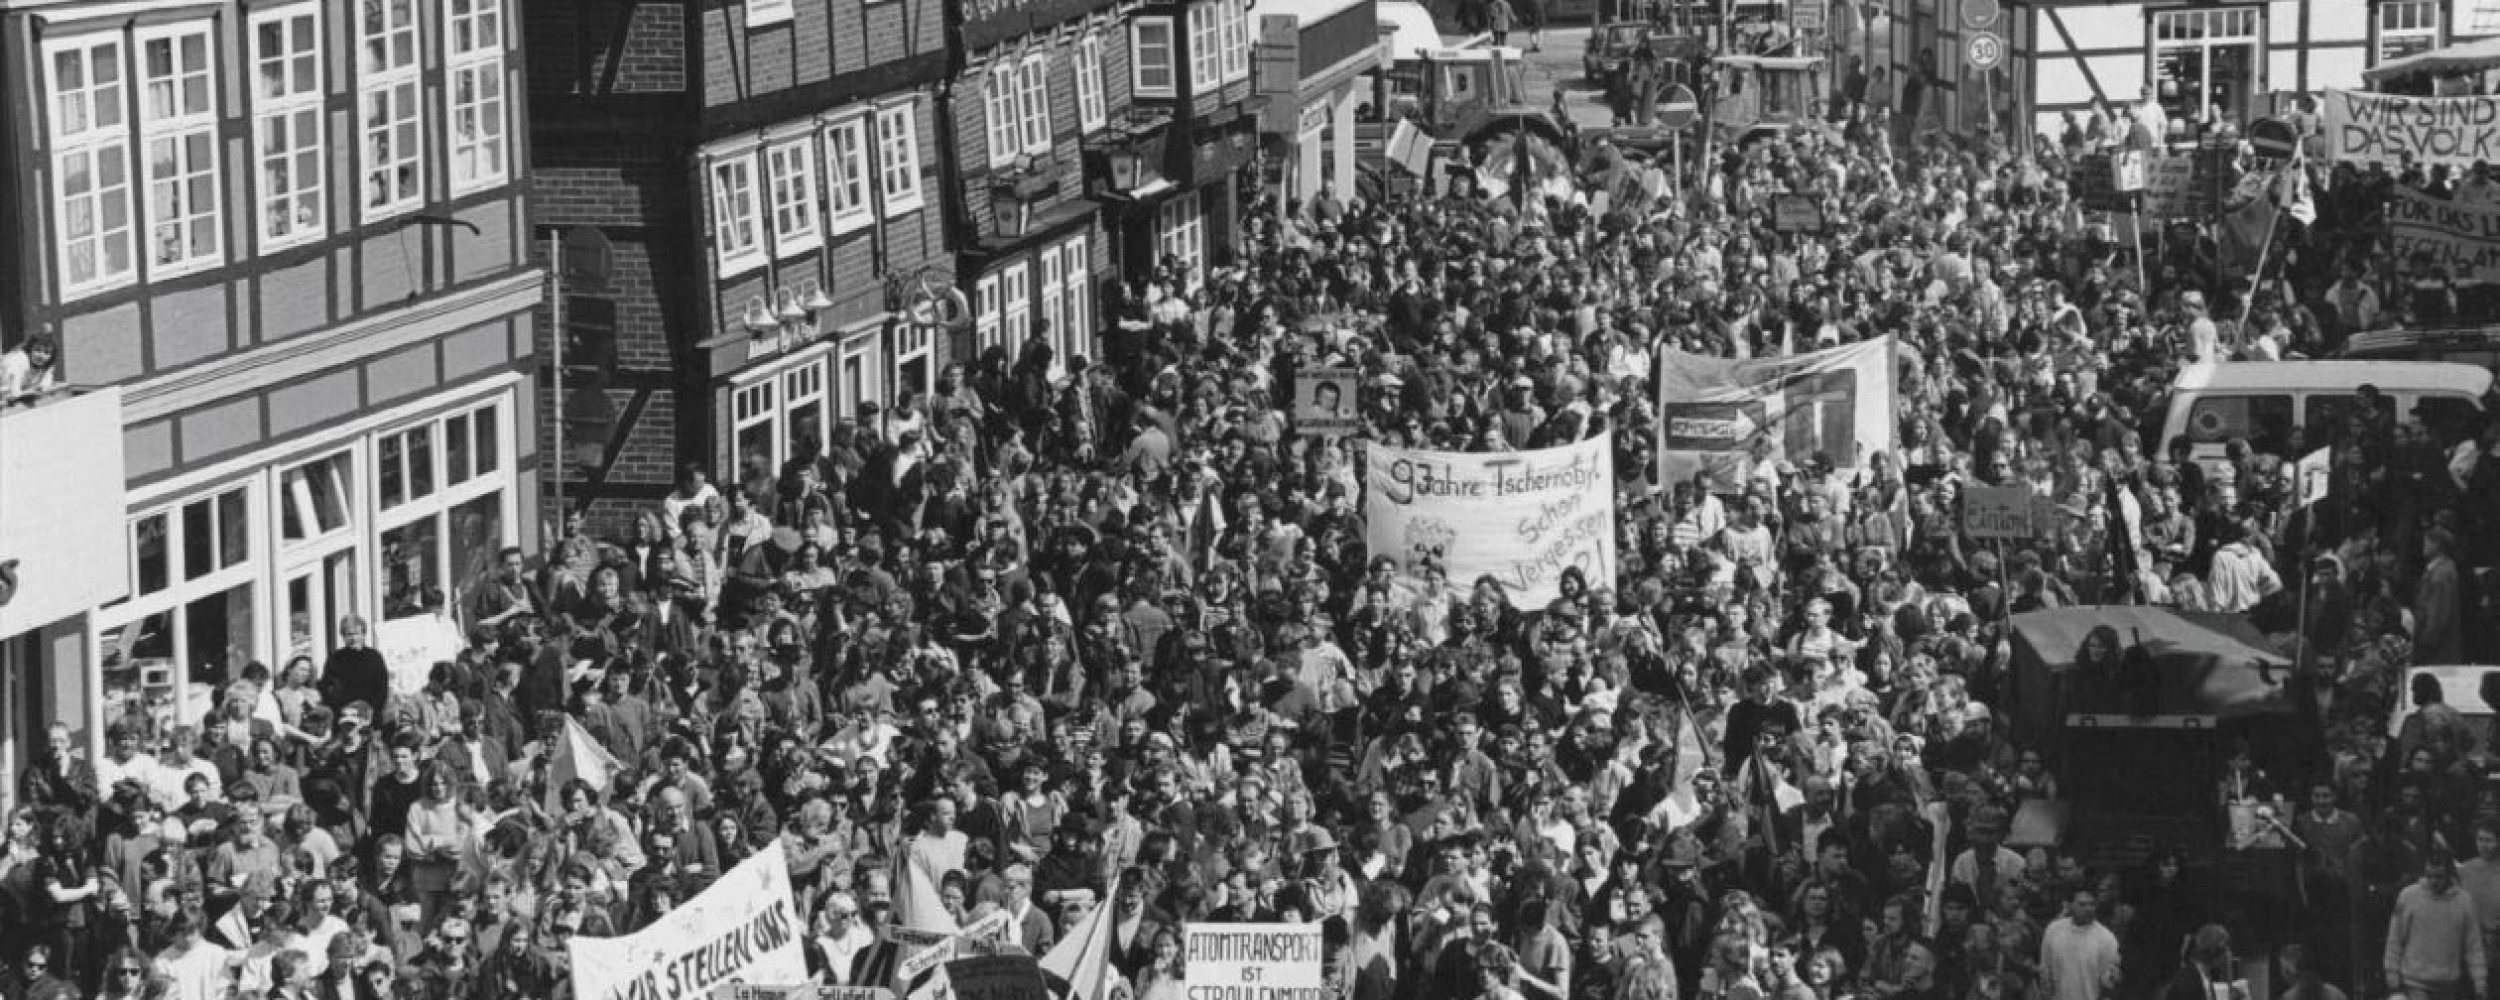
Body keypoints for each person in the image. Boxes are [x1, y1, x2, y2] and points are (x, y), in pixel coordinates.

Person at [2387, 852, 2489, 1000]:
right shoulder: (2409, 897)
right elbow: (2395, 939)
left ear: (2449, 875)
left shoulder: (2464, 902)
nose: (2433, 881)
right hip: (2414, 981)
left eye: (2439, 876)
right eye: (2429, 875)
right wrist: (2393, 979)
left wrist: (2480, 981)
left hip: (2448, 984)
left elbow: (2473, 945)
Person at [2038, 888, 2121, 1000]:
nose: (2088, 909)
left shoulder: (2107, 939)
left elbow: (2109, 984)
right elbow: (2045, 970)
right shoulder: (2054, 930)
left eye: (2092, 904)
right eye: (2082, 904)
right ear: (2069, 905)